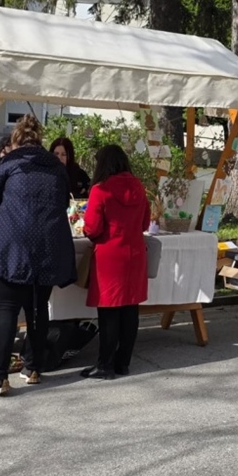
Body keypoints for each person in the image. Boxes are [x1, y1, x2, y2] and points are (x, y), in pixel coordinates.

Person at [0, 115, 76, 395]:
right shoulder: (56, 168)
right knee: (38, 306)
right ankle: (32, 368)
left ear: (16, 140)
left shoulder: (9, 163)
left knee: (6, 308)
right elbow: (61, 202)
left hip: (12, 243)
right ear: (40, 140)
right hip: (48, 246)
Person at [80, 145, 150, 379]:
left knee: (109, 312)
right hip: (135, 253)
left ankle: (105, 365)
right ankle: (123, 363)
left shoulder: (101, 190)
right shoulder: (139, 187)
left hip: (110, 256)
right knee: (130, 310)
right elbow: (145, 223)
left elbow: (92, 227)